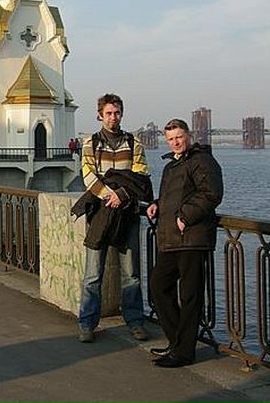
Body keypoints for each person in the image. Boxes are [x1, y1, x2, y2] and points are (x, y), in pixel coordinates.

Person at [73, 93, 151, 343]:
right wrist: (110, 196)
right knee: (93, 274)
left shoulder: (133, 143)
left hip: (127, 214)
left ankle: (135, 321)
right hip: (100, 215)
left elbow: (140, 175)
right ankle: (87, 323)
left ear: (121, 114)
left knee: (132, 273)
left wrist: (122, 194)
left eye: (116, 112)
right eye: (108, 113)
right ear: (100, 115)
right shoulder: (91, 144)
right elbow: (88, 174)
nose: (113, 117)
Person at [147, 119, 224, 368]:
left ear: (188, 135)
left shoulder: (202, 160)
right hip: (172, 239)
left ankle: (184, 352)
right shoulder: (173, 165)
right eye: (170, 139)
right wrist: (157, 204)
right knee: (159, 287)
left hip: (191, 237)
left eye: (179, 137)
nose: (175, 142)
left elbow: (212, 192)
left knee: (189, 296)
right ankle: (178, 342)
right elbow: (176, 194)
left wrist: (185, 216)